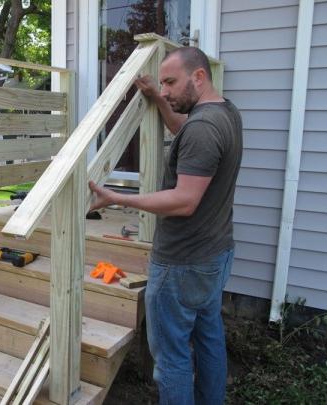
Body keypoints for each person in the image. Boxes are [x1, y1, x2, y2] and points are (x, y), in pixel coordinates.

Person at [89, 46, 243, 405]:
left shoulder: (204, 128)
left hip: (182, 263)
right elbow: (186, 136)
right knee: (209, 339)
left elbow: (184, 200)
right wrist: (159, 99)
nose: (168, 89)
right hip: (215, 253)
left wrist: (119, 199)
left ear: (199, 77)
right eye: (163, 82)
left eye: (171, 81)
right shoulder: (224, 113)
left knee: (172, 358)